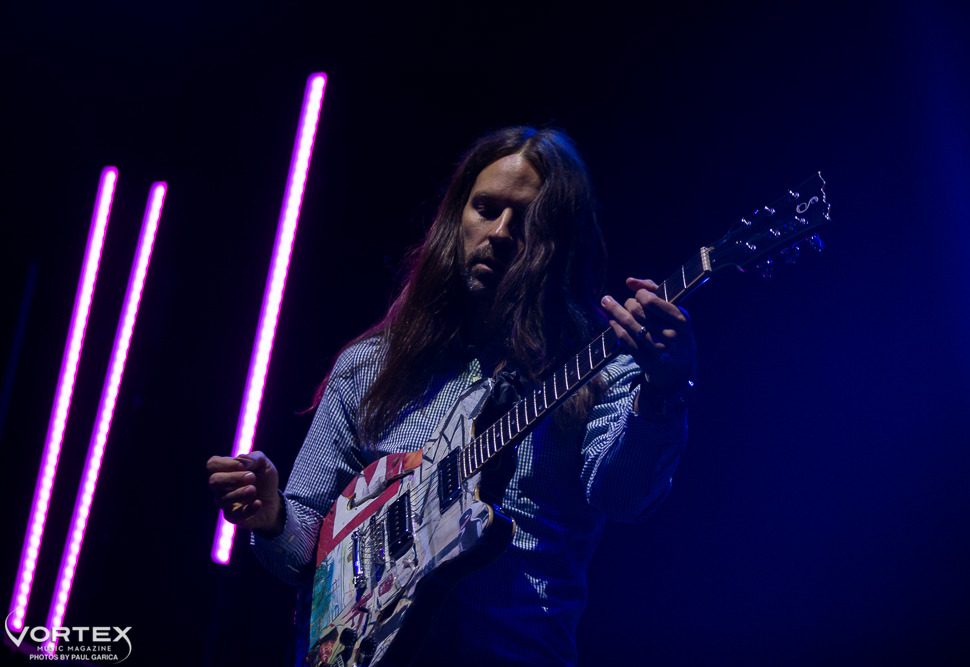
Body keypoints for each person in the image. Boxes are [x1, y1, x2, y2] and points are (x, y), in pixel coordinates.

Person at [207, 126, 696, 666]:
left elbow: (624, 500)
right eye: (485, 208)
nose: (501, 232)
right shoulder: (369, 367)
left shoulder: (601, 367)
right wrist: (273, 514)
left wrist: (662, 396)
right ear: (454, 219)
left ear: (564, 241)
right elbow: (301, 557)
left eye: (528, 220)